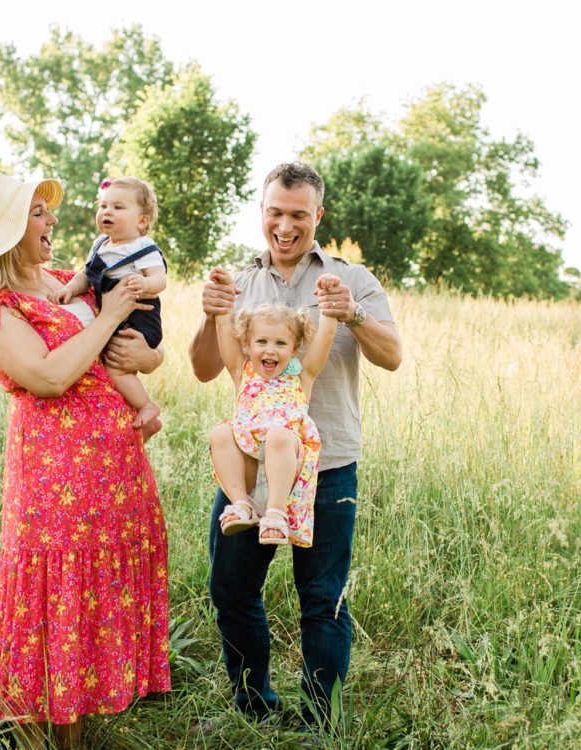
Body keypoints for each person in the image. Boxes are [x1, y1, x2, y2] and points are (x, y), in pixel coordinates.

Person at [188, 162, 403, 732]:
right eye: (275, 213)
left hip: (328, 465)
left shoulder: (350, 278)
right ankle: (253, 706)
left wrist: (350, 314)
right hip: (252, 465)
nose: (286, 226)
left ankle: (319, 722)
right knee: (230, 588)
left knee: (323, 597)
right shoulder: (238, 282)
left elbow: (392, 355)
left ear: (318, 216)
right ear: (262, 212)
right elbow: (206, 370)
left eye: (299, 215)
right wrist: (211, 313)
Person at [0, 172, 171, 750]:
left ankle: (85, 731)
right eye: (37, 214)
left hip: (115, 472)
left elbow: (138, 346)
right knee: (58, 601)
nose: (52, 221)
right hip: (58, 484)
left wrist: (148, 359)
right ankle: (51, 743)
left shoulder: (65, 282)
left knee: (93, 600)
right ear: (9, 234)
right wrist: (107, 318)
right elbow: (52, 377)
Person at [208, 274, 340, 547]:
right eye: (262, 342)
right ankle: (241, 505)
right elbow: (223, 326)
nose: (270, 350)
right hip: (246, 469)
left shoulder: (302, 377)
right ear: (246, 343)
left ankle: (276, 514)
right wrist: (223, 297)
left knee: (279, 436)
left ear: (294, 349)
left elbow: (326, 335)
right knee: (221, 433)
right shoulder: (241, 372)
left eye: (280, 344)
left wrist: (329, 305)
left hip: (284, 471)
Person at [50, 176, 166, 431]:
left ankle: (146, 406)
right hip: (115, 315)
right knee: (112, 364)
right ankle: (130, 415)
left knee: (118, 367)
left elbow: (160, 279)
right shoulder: (100, 246)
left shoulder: (143, 247)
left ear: (142, 221)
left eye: (118, 207)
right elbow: (86, 275)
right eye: (103, 206)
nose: (107, 212)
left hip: (139, 316)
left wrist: (145, 285)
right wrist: (69, 289)